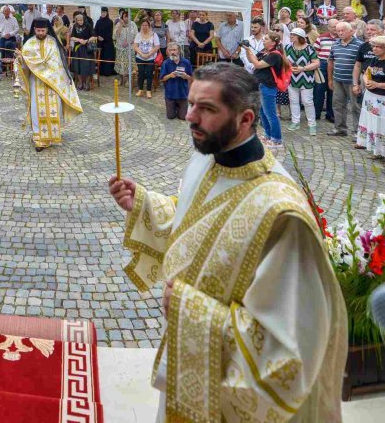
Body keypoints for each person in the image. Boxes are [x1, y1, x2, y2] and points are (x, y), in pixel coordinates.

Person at [109, 62, 346, 422]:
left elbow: (290, 351)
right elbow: (191, 219)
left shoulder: (282, 215)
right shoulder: (205, 160)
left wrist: (193, 310)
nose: (190, 117)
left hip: (231, 398)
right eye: (190, 104)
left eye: (206, 109)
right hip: (190, 367)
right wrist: (142, 202)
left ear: (246, 119)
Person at [16, 18, 82, 152]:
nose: (40, 32)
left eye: (43, 30)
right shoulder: (29, 44)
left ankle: (52, 136)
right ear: (34, 30)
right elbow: (26, 65)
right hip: (37, 82)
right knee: (36, 109)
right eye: (38, 30)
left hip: (53, 82)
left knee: (54, 108)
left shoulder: (53, 43)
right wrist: (21, 59)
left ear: (47, 29)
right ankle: (39, 139)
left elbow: (58, 64)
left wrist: (49, 72)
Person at [355, 36, 385, 160]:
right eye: (374, 46)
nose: (375, 49)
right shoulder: (374, 59)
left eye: (378, 47)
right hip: (371, 96)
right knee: (373, 123)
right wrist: (367, 81)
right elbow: (366, 73)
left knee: (384, 124)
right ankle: (377, 150)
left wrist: (378, 84)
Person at [242, 31, 286, 146]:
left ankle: (276, 139)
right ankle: (268, 135)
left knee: (270, 113)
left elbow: (257, 65)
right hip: (260, 84)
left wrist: (249, 52)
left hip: (268, 86)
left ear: (272, 42)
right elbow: (252, 60)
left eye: (266, 39)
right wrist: (247, 50)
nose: (263, 40)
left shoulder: (275, 55)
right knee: (262, 112)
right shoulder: (264, 52)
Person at [327, 22, 363, 139]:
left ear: (351, 31)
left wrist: (357, 82)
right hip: (338, 79)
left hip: (352, 81)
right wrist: (330, 79)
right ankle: (340, 129)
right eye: (338, 31)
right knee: (337, 104)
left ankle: (358, 132)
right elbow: (331, 62)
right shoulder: (335, 44)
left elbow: (361, 64)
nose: (340, 33)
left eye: (343, 30)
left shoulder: (359, 45)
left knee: (355, 106)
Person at [284, 27, 320, 134]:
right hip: (292, 78)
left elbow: (316, 63)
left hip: (306, 78)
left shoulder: (309, 48)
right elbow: (284, 62)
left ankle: (312, 124)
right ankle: (295, 122)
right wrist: (289, 68)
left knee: (307, 101)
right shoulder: (287, 47)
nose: (290, 37)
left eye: (293, 35)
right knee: (293, 100)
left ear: (299, 37)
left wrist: (302, 68)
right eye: (290, 35)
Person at [159, 42, 192, 121]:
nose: (172, 52)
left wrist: (186, 76)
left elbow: (191, 78)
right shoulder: (166, 63)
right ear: (168, 52)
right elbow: (162, 79)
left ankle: (181, 107)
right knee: (170, 116)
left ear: (179, 51)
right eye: (170, 50)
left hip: (182, 94)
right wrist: (170, 75)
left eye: (174, 50)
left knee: (183, 117)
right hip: (170, 94)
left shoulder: (186, 62)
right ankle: (174, 107)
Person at [68, 10, 97, 91]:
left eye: (81, 20)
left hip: (87, 49)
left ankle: (86, 83)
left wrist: (87, 40)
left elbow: (94, 36)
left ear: (84, 20)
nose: (80, 22)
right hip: (78, 49)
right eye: (78, 20)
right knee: (78, 66)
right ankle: (80, 83)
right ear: (76, 20)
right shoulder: (75, 26)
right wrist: (79, 40)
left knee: (87, 66)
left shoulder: (88, 26)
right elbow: (72, 37)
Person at [132, 18, 160, 98]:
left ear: (149, 26)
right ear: (141, 26)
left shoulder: (154, 35)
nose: (144, 27)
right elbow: (135, 46)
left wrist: (148, 55)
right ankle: (140, 90)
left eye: (146, 25)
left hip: (150, 58)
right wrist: (141, 54)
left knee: (149, 74)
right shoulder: (138, 35)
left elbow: (157, 46)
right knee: (140, 73)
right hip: (139, 57)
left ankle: (148, 91)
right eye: (143, 25)